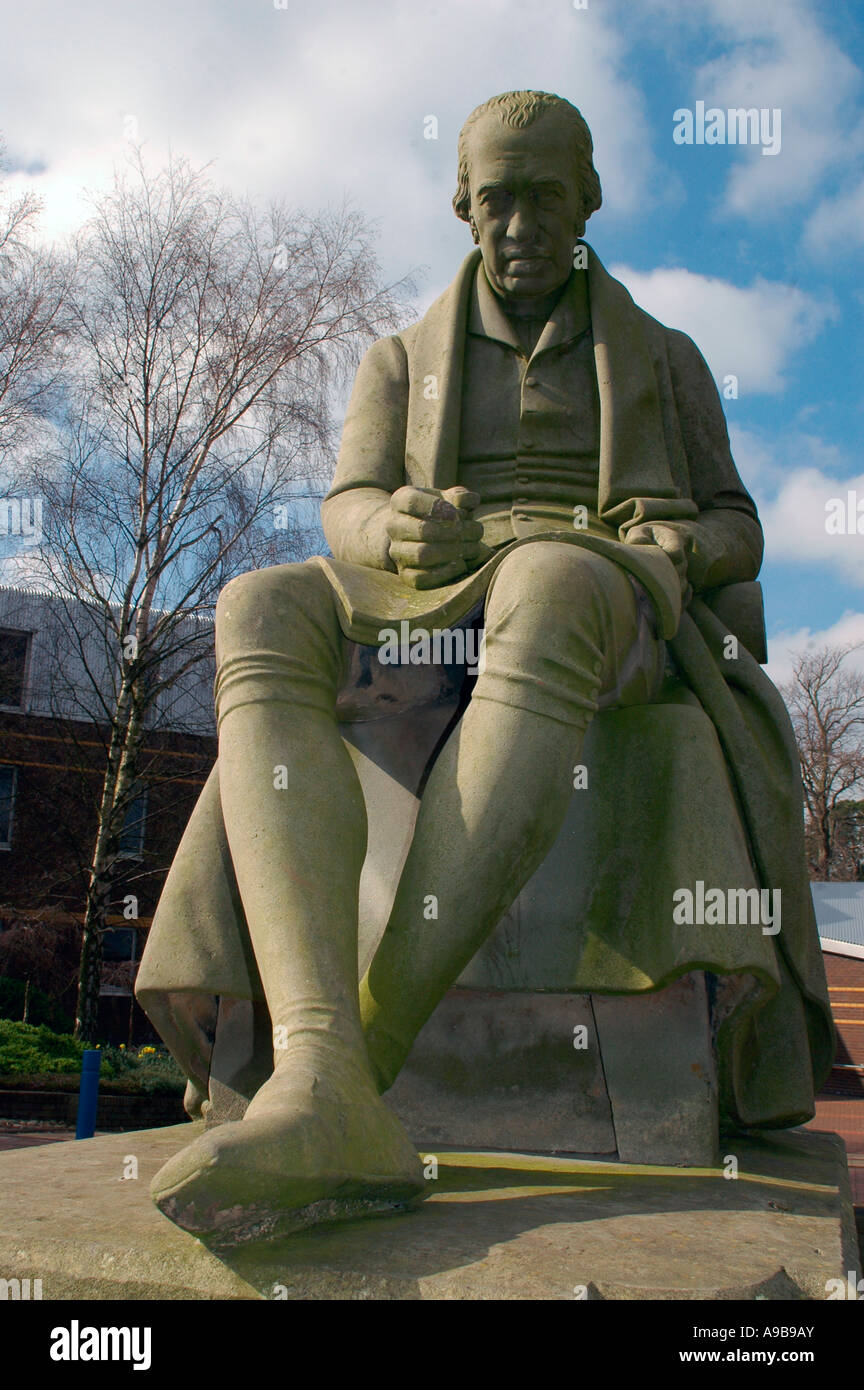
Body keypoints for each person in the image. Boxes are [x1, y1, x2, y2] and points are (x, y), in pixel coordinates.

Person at [140, 91, 833, 1248]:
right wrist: (390, 532)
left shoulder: (665, 357)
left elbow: (737, 526)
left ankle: (357, 1056)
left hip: (592, 588)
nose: (518, 224)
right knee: (256, 602)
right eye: (496, 199)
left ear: (588, 200)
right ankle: (322, 1065)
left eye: (544, 198)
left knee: (549, 583)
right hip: (427, 588)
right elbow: (349, 502)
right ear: (464, 204)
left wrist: (674, 546)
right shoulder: (398, 360)